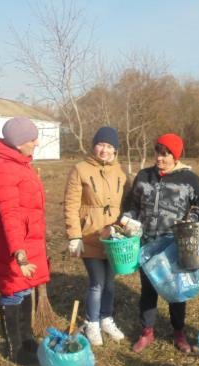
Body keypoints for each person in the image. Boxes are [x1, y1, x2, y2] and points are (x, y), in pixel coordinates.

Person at [121, 133, 199, 354]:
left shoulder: (189, 180)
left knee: (175, 291)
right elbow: (133, 205)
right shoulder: (144, 176)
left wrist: (189, 223)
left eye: (165, 154)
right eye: (157, 153)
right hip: (147, 243)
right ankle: (147, 332)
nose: (160, 158)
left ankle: (179, 332)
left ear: (175, 156)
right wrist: (127, 218)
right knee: (148, 290)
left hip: (174, 246)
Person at [0, 117, 49, 365]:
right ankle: (15, 348)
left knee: (25, 288)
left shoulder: (19, 163)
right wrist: (19, 254)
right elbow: (9, 215)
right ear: (18, 142)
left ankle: (28, 338)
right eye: (32, 139)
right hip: (13, 244)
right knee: (13, 291)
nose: (36, 142)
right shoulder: (2, 169)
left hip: (27, 239)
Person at [64, 126, 129, 346]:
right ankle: (92, 322)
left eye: (110, 146)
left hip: (113, 238)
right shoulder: (80, 169)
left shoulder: (120, 172)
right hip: (90, 235)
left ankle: (106, 318)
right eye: (101, 144)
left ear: (116, 150)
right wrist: (74, 236)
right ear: (94, 146)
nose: (105, 150)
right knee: (97, 283)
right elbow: (71, 205)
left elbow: (131, 200)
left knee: (110, 283)